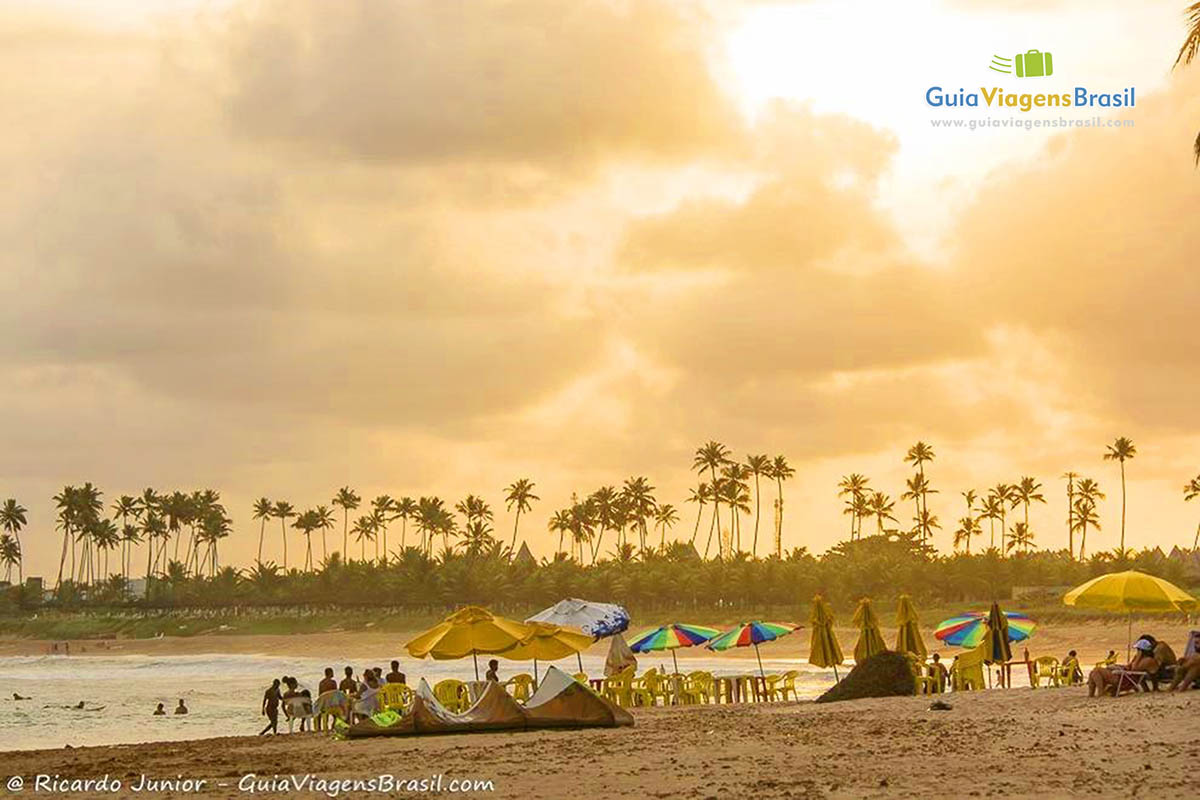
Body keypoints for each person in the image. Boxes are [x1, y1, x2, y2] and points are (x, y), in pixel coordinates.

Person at [1088, 639, 1159, 697]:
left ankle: (1101, 693)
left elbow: (1134, 670)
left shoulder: (1147, 660)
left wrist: (1138, 657)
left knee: (1097, 670)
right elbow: (1129, 667)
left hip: (1126, 679)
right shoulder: (1138, 658)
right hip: (1124, 675)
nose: (1137, 652)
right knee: (1092, 673)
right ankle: (1091, 695)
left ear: (1142, 650)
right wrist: (1117, 666)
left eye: (1138, 650)